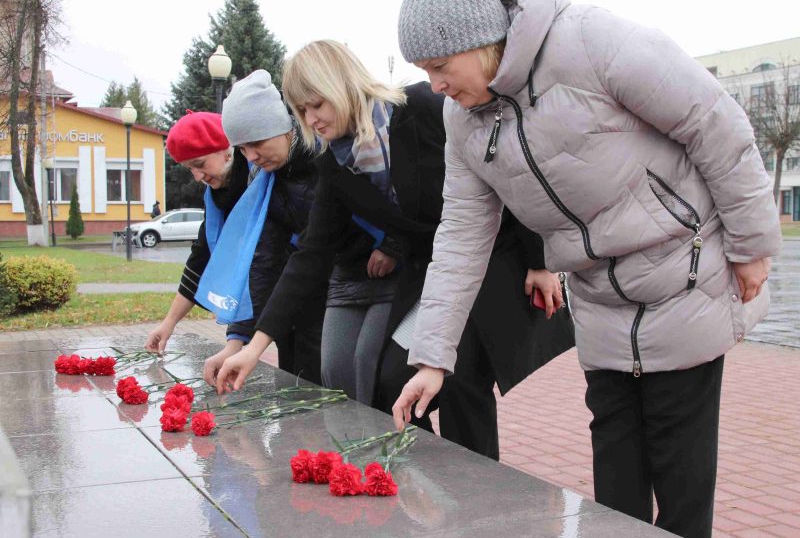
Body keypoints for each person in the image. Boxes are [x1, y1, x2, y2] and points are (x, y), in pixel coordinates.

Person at [392, 0, 781, 537]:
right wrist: (434, 358)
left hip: (682, 276)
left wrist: (751, 244)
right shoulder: (463, 118)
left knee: (681, 484)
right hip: (598, 301)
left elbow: (714, 123)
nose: (435, 86)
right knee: (614, 490)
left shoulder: (592, 42)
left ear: (476, 40)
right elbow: (460, 234)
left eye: (439, 68)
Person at [210, 40, 574, 459]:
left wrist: (539, 261)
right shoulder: (336, 165)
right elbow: (309, 257)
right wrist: (254, 348)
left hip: (497, 255)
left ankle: (477, 498)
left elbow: (508, 170)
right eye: (301, 112)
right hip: (433, 279)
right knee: (389, 380)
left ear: (341, 85)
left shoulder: (420, 107)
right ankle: (431, 479)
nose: (311, 120)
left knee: (460, 381)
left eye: (316, 105)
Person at [145, 76, 325, 384]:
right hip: (286, 302)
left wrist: (242, 343)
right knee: (298, 383)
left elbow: (288, 252)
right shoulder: (223, 195)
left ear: (224, 149)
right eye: (190, 169)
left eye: (200, 163)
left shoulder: (262, 180)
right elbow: (213, 261)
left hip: (320, 294)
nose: (198, 176)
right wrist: (172, 324)